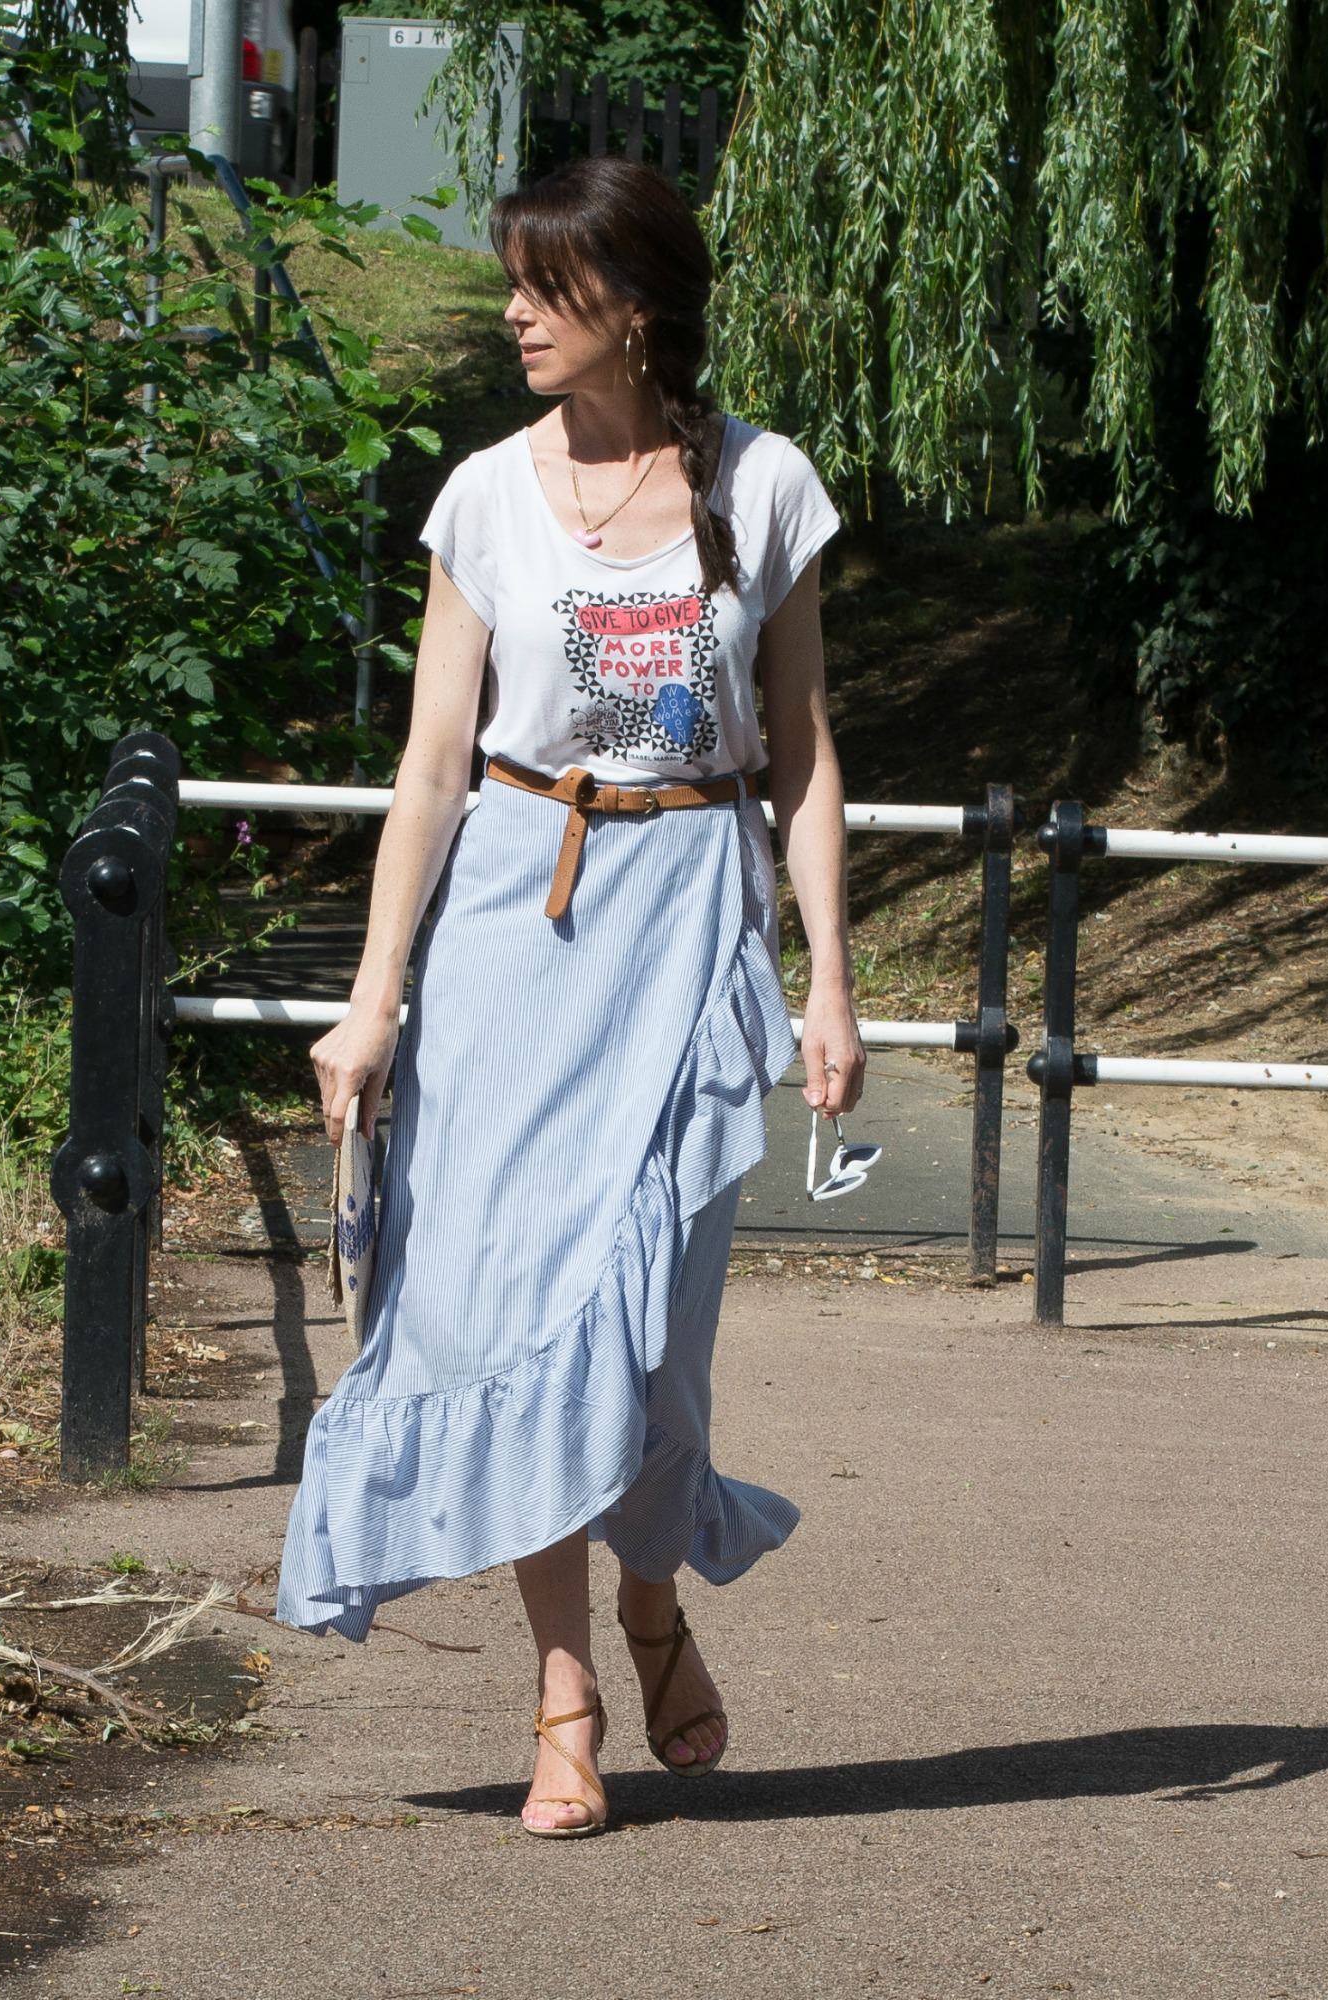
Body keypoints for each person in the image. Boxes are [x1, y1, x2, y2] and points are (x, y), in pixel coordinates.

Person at [275, 155, 864, 1837]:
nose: (515, 313)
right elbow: (433, 765)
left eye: (548, 286)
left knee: (651, 1344)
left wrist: (829, 978)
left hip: (686, 929)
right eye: (514, 282)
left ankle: (655, 1597)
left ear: (636, 302)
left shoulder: (765, 490)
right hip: (512, 942)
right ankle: (564, 1695)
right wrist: (373, 997)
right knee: (508, 1317)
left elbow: (804, 748)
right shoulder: (480, 499)